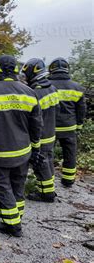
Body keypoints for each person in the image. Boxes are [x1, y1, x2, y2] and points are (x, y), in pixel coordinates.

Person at [0, 55, 42, 237]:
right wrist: (36, 148)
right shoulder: (29, 92)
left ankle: (12, 225)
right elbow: (37, 125)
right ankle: (15, 218)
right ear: (16, 71)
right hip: (23, 152)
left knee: (3, 187)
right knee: (18, 186)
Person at [22, 59, 59, 202]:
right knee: (49, 160)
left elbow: (33, 120)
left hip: (41, 136)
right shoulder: (52, 88)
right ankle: (49, 188)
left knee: (40, 163)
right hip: (51, 133)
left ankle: (46, 194)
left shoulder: (36, 93)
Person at [48, 58, 86, 187]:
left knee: (48, 155)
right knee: (69, 154)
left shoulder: (46, 86)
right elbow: (81, 110)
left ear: (51, 69)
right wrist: (79, 126)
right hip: (69, 128)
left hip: (49, 128)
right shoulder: (77, 87)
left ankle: (48, 181)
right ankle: (68, 180)